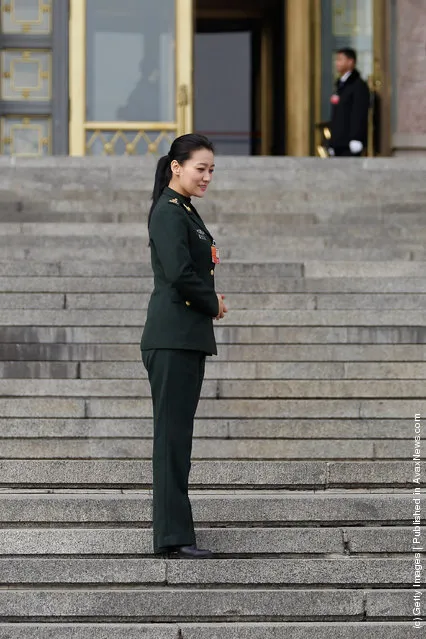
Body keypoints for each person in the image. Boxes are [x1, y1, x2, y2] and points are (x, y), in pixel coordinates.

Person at [140, 133, 228, 559]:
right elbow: (178, 273)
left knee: (178, 437)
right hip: (172, 337)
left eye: (211, 169)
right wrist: (213, 302)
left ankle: (174, 533)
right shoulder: (169, 213)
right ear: (177, 167)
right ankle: (172, 536)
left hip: (184, 338)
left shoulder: (185, 211)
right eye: (201, 168)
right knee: (172, 439)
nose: (207, 176)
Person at [328, 47, 370, 157]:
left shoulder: (358, 85)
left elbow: (359, 113)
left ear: (351, 62)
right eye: (336, 60)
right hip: (338, 142)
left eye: (340, 60)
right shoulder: (340, 85)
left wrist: (357, 138)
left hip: (350, 143)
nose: (337, 63)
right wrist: (332, 142)